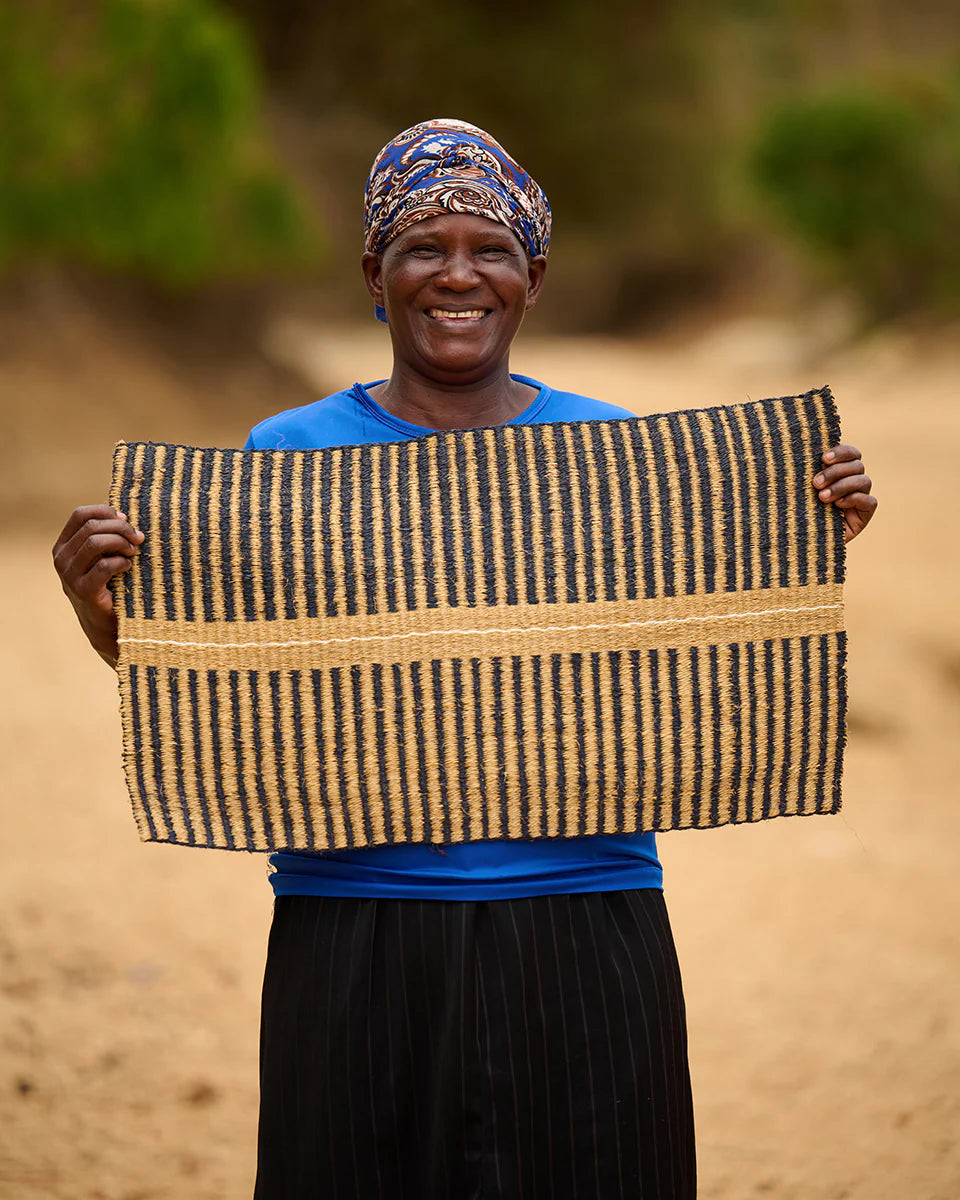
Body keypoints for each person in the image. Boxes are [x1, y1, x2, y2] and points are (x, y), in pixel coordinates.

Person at [53, 118, 877, 1199]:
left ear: (532, 278)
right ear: (373, 275)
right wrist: (98, 607)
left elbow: (696, 652)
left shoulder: (615, 454)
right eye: (422, 247)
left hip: (586, 918)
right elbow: (221, 693)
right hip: (352, 925)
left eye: (489, 249)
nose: (457, 275)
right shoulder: (283, 462)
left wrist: (802, 529)